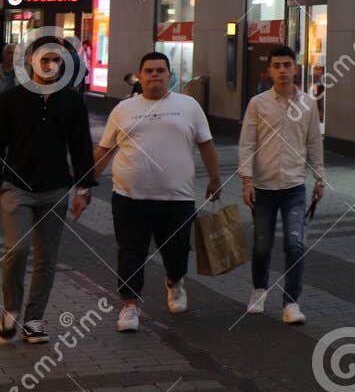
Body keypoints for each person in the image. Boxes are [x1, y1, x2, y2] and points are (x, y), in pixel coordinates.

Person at [92, 51, 222, 334]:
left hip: (177, 198)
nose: (154, 75)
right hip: (129, 197)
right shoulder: (123, 109)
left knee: (176, 251)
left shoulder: (188, 106)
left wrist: (214, 179)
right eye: (149, 71)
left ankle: (175, 281)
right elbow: (104, 150)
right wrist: (84, 186)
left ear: (170, 75)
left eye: (160, 70)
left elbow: (206, 144)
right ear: (139, 76)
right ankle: (129, 304)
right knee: (130, 251)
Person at [0, 37, 96, 344]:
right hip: (17, 188)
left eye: (56, 58)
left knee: (47, 257)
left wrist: (84, 188)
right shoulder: (11, 99)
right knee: (19, 249)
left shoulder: (71, 100)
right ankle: (10, 310)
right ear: (30, 61)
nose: (50, 63)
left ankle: (34, 320)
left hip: (56, 188)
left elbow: (81, 146)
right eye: (44, 58)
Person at [238, 44, 325, 325]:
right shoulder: (258, 103)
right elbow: (247, 143)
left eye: (287, 65)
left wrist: (320, 177)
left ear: (295, 68)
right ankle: (259, 290)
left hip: (294, 186)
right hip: (263, 187)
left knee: (295, 244)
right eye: (277, 66)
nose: (282, 70)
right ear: (269, 71)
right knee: (262, 244)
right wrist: (247, 180)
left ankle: (292, 302)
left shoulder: (308, 104)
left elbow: (314, 142)